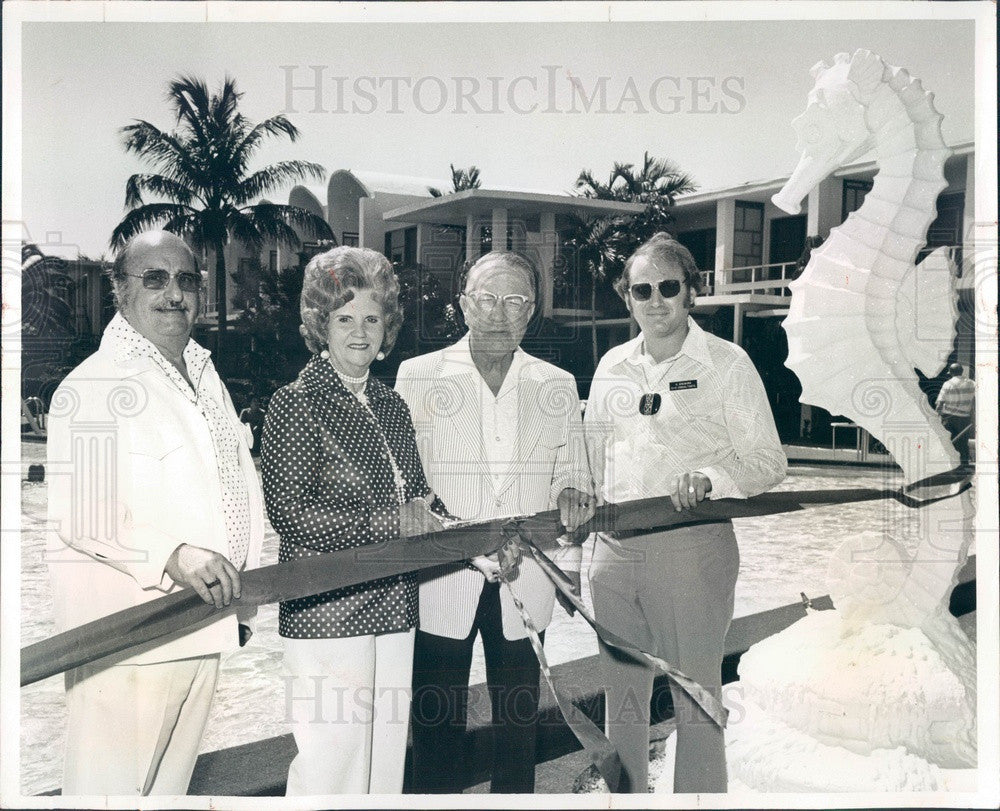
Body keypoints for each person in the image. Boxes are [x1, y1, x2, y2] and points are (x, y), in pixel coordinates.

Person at [46, 231, 264, 795]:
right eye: (154, 279)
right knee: (108, 796)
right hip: (131, 641)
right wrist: (174, 553)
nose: (175, 294)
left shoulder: (205, 376)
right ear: (120, 292)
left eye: (187, 279)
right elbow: (84, 513)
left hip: (206, 625)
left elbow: (237, 487)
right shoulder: (92, 385)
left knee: (166, 795)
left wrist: (246, 602)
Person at [584, 232, 786, 793]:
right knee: (621, 706)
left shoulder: (727, 364)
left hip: (692, 551)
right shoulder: (610, 368)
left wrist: (712, 479)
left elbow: (769, 462)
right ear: (627, 298)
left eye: (668, 287)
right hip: (614, 554)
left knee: (697, 702)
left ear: (691, 292)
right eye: (641, 289)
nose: (655, 301)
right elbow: (589, 461)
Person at [395, 251, 595, 794]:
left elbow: (573, 473)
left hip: (525, 572)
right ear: (463, 305)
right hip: (443, 573)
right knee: (435, 726)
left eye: (515, 301)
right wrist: (431, 518)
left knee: (517, 729)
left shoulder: (556, 383)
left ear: (531, 312)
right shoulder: (417, 375)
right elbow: (402, 479)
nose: (499, 313)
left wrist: (572, 492)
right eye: (486, 298)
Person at [261, 246, 444, 795]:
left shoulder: (392, 405)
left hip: (394, 603)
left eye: (372, 317)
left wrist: (472, 537)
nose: (360, 331)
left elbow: (419, 501)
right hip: (327, 607)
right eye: (344, 318)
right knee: (330, 766)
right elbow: (290, 516)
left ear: (388, 325)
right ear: (321, 324)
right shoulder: (295, 403)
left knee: (384, 765)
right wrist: (392, 522)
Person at [935, 362, 976, 467]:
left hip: (949, 418)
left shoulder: (948, 384)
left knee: (948, 443)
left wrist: (937, 416)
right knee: (963, 443)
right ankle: (963, 465)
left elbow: (940, 403)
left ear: (951, 373)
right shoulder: (972, 384)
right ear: (962, 372)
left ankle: (948, 465)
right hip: (964, 419)